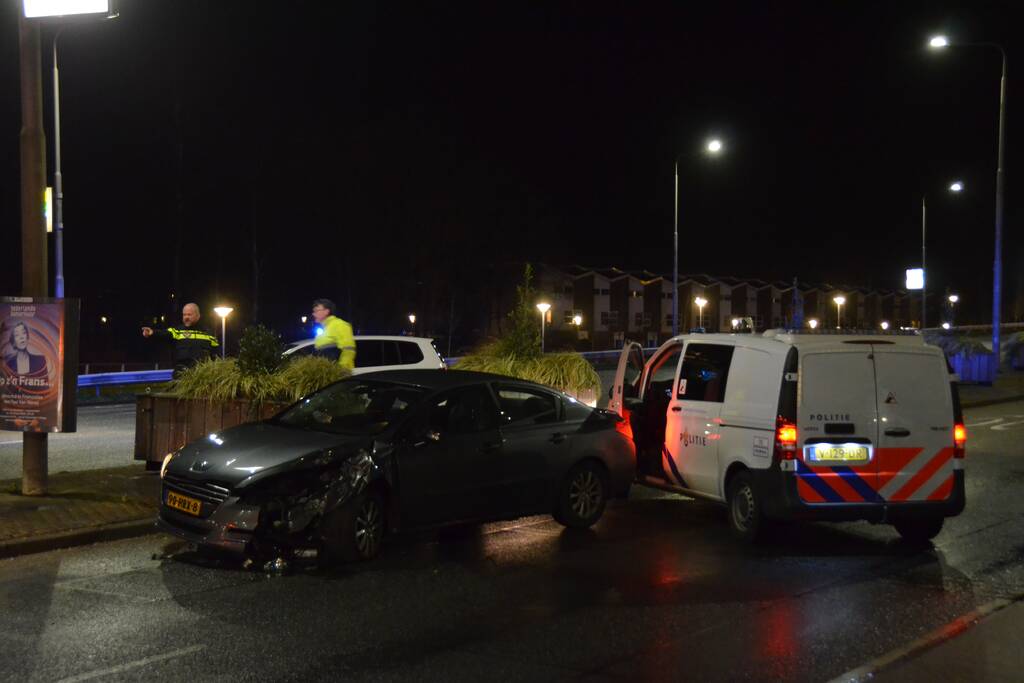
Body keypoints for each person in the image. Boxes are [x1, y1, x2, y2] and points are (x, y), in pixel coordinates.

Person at [142, 302, 219, 377]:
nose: (186, 317)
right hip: (182, 375)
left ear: (198, 316)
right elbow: (165, 333)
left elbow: (216, 354)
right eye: (184, 315)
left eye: (189, 314)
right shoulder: (178, 331)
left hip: (203, 376)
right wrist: (152, 332)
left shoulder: (209, 333)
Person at [311, 298, 356, 370]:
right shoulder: (324, 328)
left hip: (338, 375)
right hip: (327, 373)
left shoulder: (339, 325)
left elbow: (348, 350)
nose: (313, 314)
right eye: (313, 311)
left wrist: (340, 371)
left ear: (326, 311)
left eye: (316, 311)